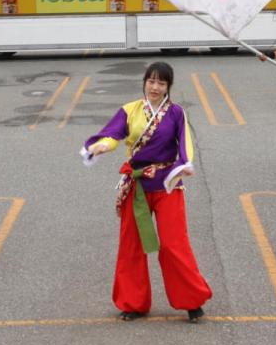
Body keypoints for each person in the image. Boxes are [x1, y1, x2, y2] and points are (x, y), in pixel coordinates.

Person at [82, 61, 212, 323]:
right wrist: (100, 147)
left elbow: (185, 143)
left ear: (168, 87)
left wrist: (185, 164)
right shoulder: (129, 110)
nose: (155, 87)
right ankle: (133, 302)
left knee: (174, 244)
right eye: (151, 81)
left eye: (161, 83)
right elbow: (112, 135)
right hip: (137, 186)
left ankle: (192, 301)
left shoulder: (176, 113)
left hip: (167, 185)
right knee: (131, 244)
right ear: (144, 82)